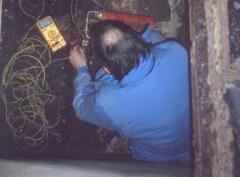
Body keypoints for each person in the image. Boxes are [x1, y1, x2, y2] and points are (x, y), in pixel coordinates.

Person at [68, 20, 190, 162]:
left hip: (158, 156)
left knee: (98, 84)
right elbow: (151, 39)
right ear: (133, 37)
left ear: (107, 69)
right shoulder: (175, 50)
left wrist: (81, 69)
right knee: (155, 37)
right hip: (192, 138)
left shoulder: (107, 102)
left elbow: (81, 108)